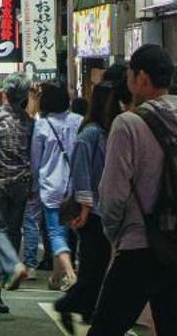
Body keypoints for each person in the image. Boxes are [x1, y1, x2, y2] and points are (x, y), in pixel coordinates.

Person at [84, 45, 177, 336]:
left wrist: (116, 236)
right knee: (173, 329)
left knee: (105, 329)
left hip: (138, 246)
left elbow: (112, 194)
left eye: (130, 76)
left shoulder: (129, 124)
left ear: (142, 78)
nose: (128, 83)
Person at [54, 64, 130, 334]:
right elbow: (81, 172)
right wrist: (84, 206)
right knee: (94, 267)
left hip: (104, 210)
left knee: (95, 267)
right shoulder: (90, 134)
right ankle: (68, 305)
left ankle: (85, 310)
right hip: (92, 212)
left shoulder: (108, 131)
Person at [0, 79, 37, 288]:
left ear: (6, 94)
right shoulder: (29, 121)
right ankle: (11, 271)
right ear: (24, 97)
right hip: (21, 181)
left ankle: (8, 267)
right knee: (14, 228)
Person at [32, 82, 82, 289]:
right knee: (75, 231)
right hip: (77, 185)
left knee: (55, 232)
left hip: (52, 185)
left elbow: (35, 160)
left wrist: (33, 186)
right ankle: (56, 276)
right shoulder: (78, 121)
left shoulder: (42, 125)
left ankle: (70, 274)